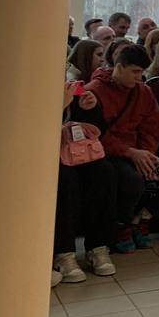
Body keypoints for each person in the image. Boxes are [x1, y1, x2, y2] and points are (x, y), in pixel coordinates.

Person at [84, 44, 159, 246]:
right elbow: (96, 135)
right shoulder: (94, 92)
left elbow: (152, 127)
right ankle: (121, 226)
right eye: (135, 72)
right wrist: (131, 153)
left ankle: (143, 217)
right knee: (133, 181)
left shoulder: (144, 91)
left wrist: (146, 154)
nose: (139, 77)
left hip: (141, 151)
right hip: (112, 154)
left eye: (142, 72)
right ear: (119, 67)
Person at [53, 79, 118, 281]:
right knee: (65, 180)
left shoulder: (70, 83)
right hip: (43, 156)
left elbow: (97, 130)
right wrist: (60, 106)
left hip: (75, 152)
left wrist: (90, 108)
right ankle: (64, 253)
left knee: (103, 171)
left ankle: (97, 247)